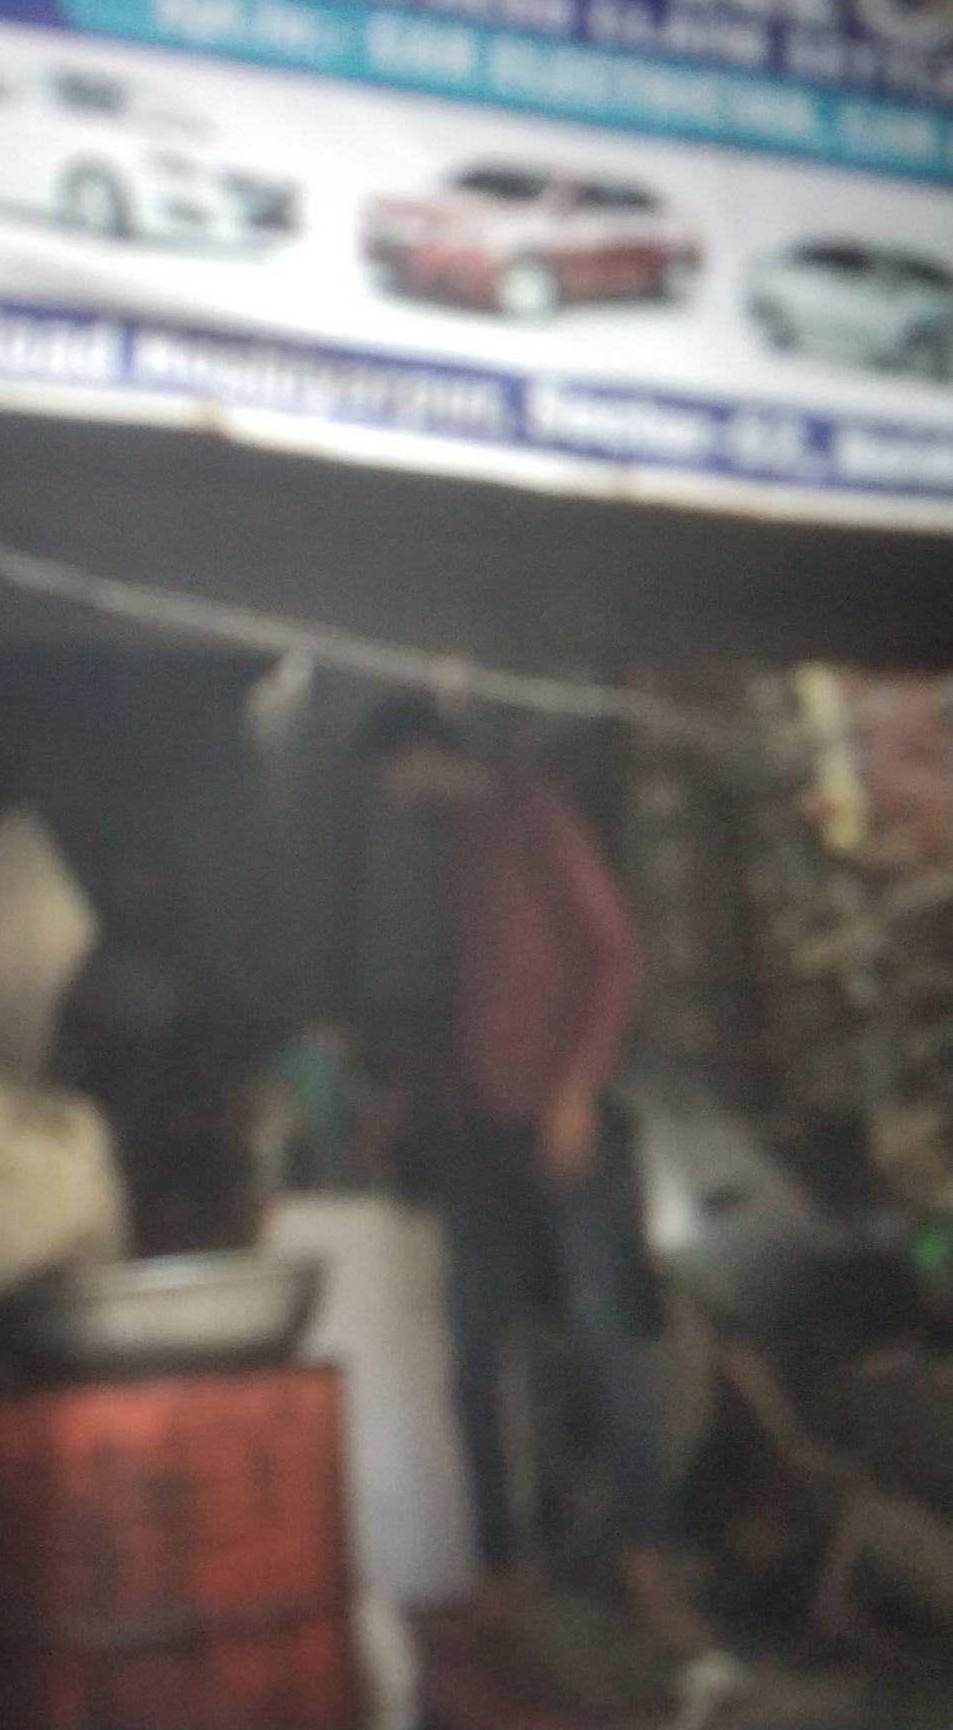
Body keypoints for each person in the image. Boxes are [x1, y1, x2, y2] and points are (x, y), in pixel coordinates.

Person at [347, 698, 714, 1662]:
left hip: (558, 1127)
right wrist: (409, 1102)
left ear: (416, 754)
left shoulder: (534, 814)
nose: (385, 800)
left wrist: (576, 1091)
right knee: (472, 1355)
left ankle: (651, 1568)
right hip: (478, 1136)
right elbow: (468, 1001)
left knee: (602, 1336)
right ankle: (501, 1572)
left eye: (384, 780)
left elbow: (613, 952)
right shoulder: (453, 851)